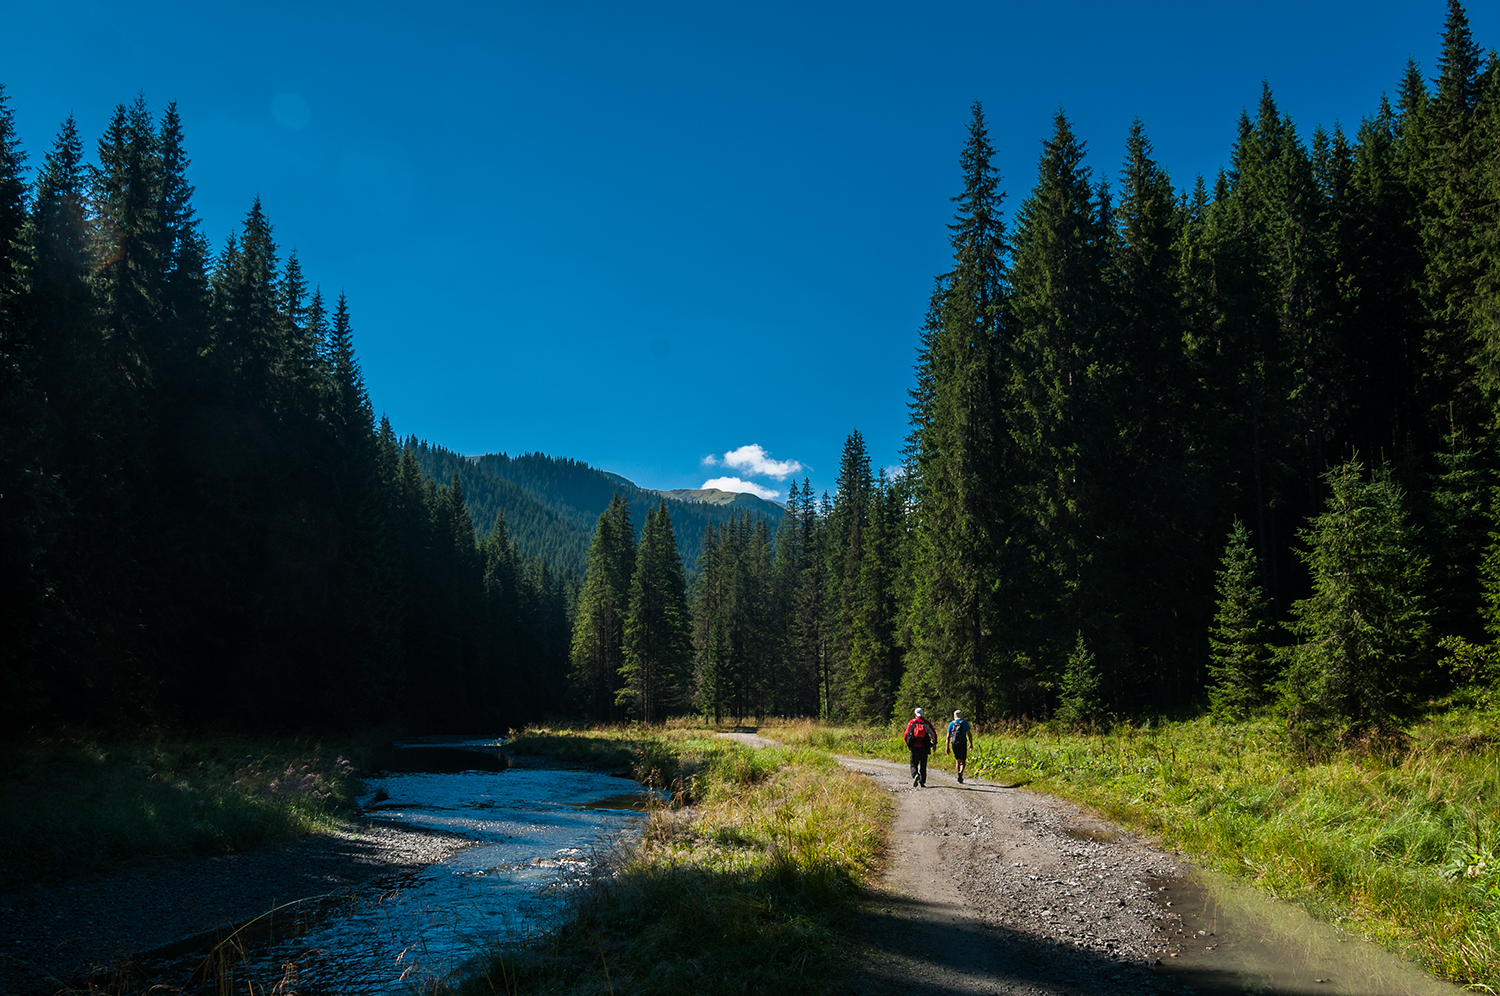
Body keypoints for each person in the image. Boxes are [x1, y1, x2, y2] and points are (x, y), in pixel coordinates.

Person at [903, 707, 937, 787]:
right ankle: (922, 782)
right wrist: (934, 743)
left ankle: (915, 775)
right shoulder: (926, 723)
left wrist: (908, 744)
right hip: (924, 747)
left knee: (913, 764)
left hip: (914, 747)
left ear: (915, 714)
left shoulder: (912, 722)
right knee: (923, 764)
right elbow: (933, 734)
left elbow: (906, 734)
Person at [947, 709, 973, 783]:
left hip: (954, 743)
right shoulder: (965, 723)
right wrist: (971, 744)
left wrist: (947, 747)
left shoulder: (951, 724)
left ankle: (958, 772)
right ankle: (961, 772)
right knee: (963, 760)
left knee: (957, 760)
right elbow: (969, 734)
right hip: (962, 743)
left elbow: (948, 736)